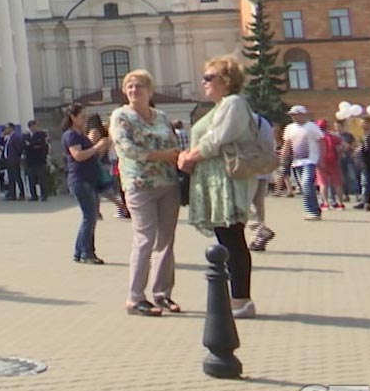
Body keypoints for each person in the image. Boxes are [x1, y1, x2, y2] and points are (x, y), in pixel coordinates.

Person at [179, 56, 259, 318]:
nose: (203, 82)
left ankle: (242, 300)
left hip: (228, 183)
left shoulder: (234, 103)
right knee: (226, 240)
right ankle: (234, 297)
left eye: (209, 77)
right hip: (215, 183)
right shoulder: (220, 107)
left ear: (226, 81)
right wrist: (187, 154)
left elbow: (216, 139)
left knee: (233, 240)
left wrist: (191, 156)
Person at [111, 70, 182, 316]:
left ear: (150, 91)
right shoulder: (121, 116)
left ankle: (162, 294)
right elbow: (126, 147)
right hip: (139, 185)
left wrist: (178, 158)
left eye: (139, 85)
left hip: (168, 184)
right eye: (129, 86)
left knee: (166, 240)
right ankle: (135, 297)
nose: (134, 90)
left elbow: (174, 143)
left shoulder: (161, 117)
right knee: (144, 239)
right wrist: (159, 156)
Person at [61, 104, 111, 265]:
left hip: (89, 178)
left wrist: (102, 147)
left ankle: (79, 251)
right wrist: (96, 147)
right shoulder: (71, 135)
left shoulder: (80, 135)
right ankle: (87, 252)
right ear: (73, 117)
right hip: (80, 179)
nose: (84, 119)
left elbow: (92, 157)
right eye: (82, 116)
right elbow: (78, 156)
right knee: (89, 217)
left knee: (89, 217)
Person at [282, 105, 323, 221]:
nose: (293, 117)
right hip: (297, 162)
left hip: (311, 160)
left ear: (303, 114)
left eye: (296, 114)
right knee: (304, 187)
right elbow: (287, 144)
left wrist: (321, 159)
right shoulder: (289, 128)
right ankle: (314, 209)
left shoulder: (312, 127)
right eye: (292, 115)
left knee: (306, 183)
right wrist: (282, 158)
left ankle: (312, 211)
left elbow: (321, 142)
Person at [24, 125, 52, 202]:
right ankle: (33, 196)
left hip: (40, 160)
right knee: (31, 179)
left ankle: (44, 195)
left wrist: (31, 145)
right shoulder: (26, 136)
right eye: (32, 126)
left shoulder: (41, 134)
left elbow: (41, 145)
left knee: (42, 179)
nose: (34, 128)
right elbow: (25, 146)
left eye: (35, 126)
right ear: (30, 127)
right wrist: (32, 145)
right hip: (30, 161)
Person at [2, 123, 28, 200]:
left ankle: (22, 194)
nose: (5, 130)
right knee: (11, 178)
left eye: (6, 128)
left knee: (17, 177)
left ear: (11, 128)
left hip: (14, 160)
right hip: (8, 160)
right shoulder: (8, 138)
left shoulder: (15, 137)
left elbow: (19, 148)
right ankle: (12, 195)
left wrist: (17, 157)